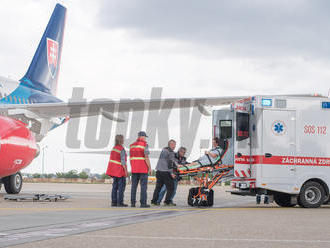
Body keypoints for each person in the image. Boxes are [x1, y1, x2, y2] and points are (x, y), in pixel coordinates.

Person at [151, 139, 177, 206]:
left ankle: (154, 201)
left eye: (175, 145)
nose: (174, 146)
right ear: (170, 144)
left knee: (158, 188)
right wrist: (171, 173)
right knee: (171, 187)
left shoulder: (164, 150)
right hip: (165, 172)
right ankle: (167, 202)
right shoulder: (170, 152)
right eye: (173, 145)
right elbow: (170, 163)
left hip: (159, 172)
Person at [129, 131, 151, 208]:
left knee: (133, 186)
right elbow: (146, 157)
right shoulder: (145, 145)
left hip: (134, 169)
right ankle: (143, 203)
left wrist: (133, 167)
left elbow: (131, 158)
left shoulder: (131, 145)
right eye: (145, 137)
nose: (145, 138)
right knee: (143, 187)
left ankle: (132, 203)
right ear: (142, 136)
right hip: (143, 169)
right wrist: (150, 168)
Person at [106, 134, 128, 207]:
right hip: (120, 171)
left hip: (114, 171)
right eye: (123, 139)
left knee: (114, 187)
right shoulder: (121, 149)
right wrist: (126, 171)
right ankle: (120, 202)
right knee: (121, 187)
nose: (124, 140)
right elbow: (123, 161)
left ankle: (114, 202)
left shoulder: (114, 148)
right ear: (121, 140)